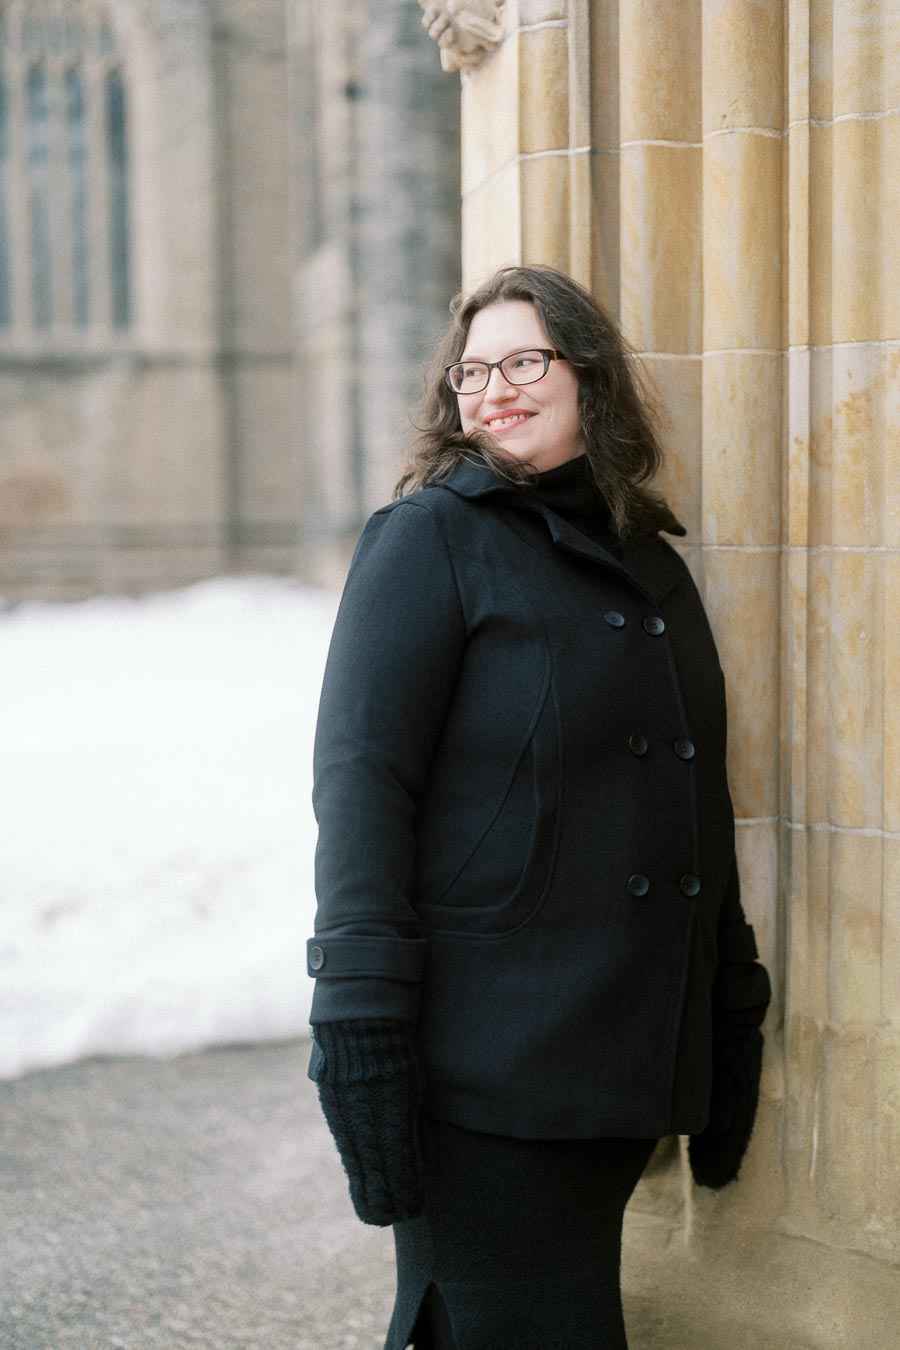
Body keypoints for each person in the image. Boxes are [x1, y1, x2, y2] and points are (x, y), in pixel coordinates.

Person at [305, 265, 771, 1349]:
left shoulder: (649, 565)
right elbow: (362, 781)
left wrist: (727, 1006)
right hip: (485, 1070)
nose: (494, 389)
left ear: (589, 379)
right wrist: (361, 1017)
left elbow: (700, 793)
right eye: (473, 371)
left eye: (524, 361)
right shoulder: (430, 539)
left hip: (618, 1060)